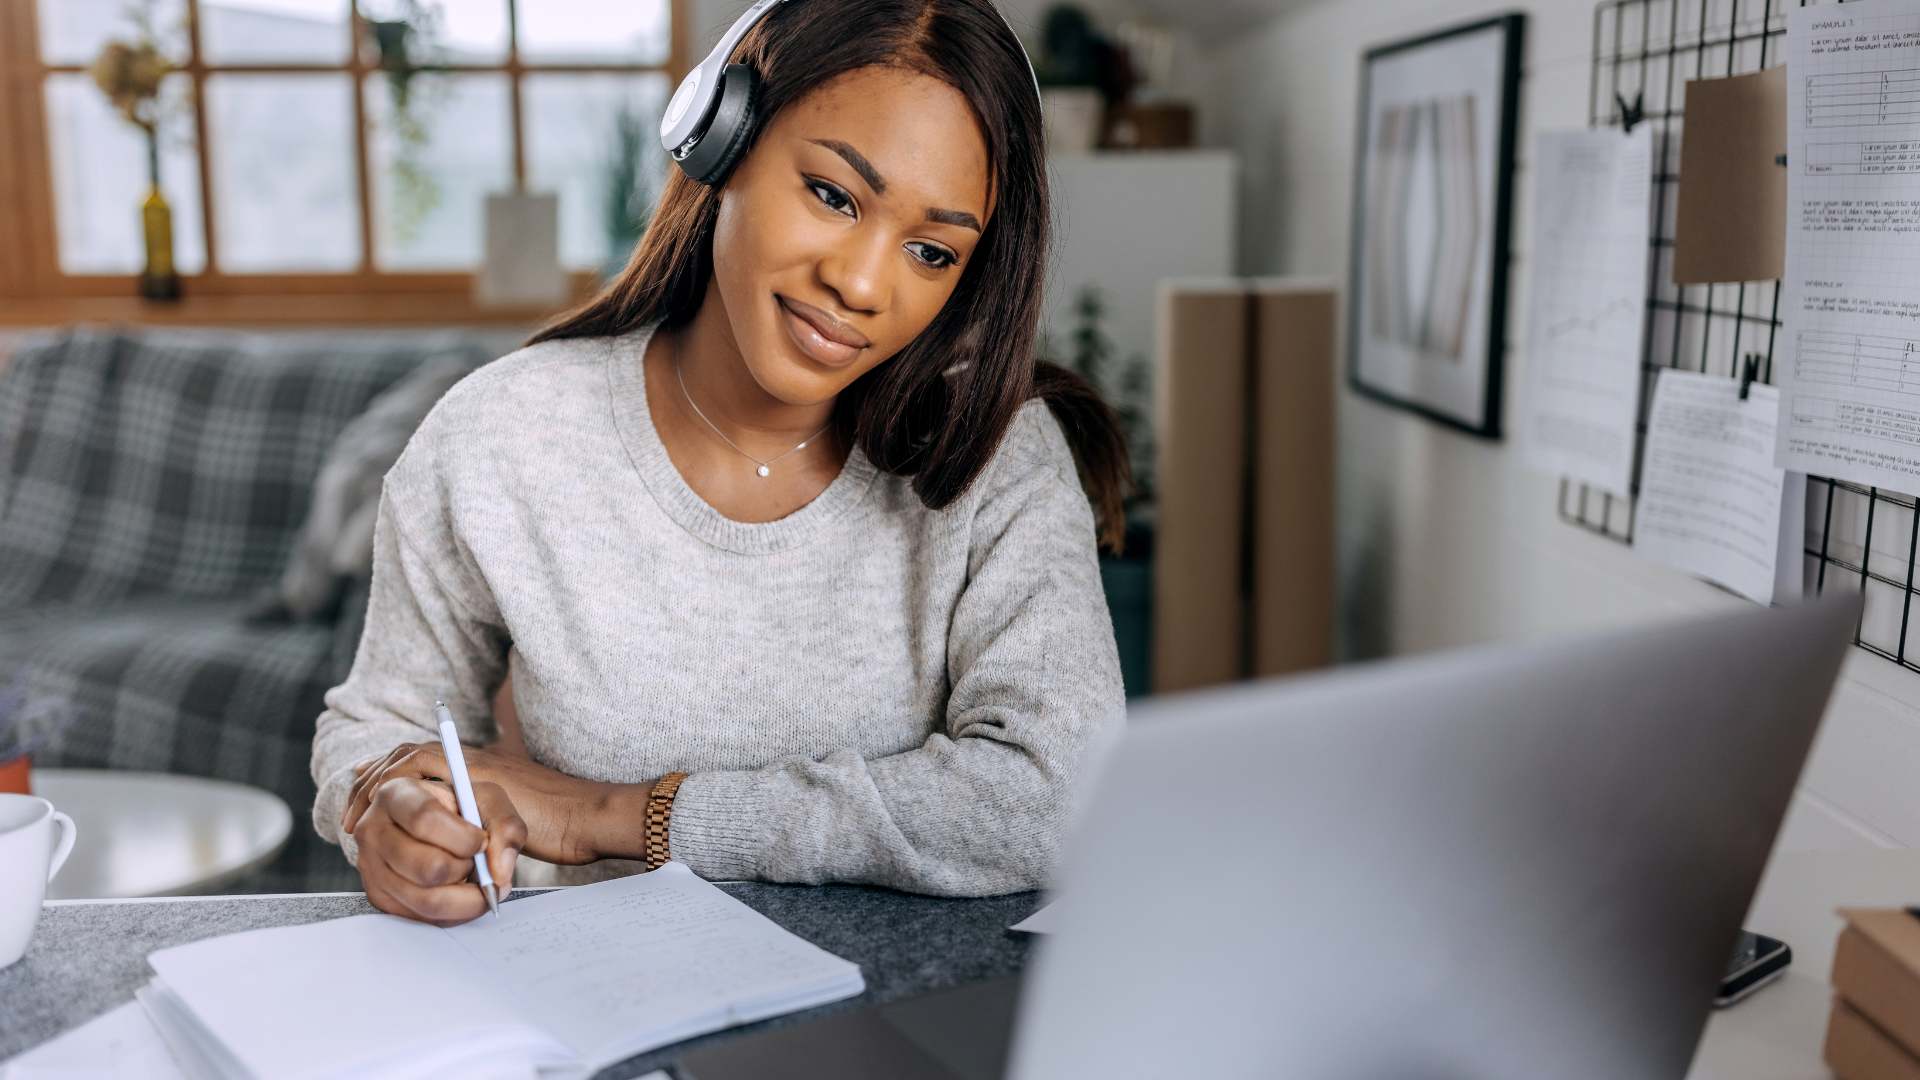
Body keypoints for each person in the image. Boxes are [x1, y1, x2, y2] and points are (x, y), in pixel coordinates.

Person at [310, 0, 1128, 927]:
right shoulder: (502, 434)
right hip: (593, 989)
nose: (862, 284)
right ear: (720, 142)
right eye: (833, 195)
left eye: (931, 251)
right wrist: (387, 808)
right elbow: (380, 726)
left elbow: (1062, 797)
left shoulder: (1000, 454)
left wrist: (611, 817)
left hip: (906, 1003)